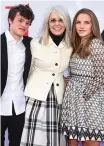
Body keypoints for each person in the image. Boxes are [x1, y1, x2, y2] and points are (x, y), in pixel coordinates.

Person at [20, 5, 73, 146]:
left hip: (58, 98)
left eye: (61, 20)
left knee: (55, 141)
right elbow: (27, 71)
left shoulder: (71, 46)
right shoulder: (35, 43)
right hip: (35, 98)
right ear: (47, 23)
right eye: (53, 20)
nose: (57, 24)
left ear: (66, 23)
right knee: (33, 140)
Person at [61, 8, 104, 146]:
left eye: (86, 22)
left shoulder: (96, 44)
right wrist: (67, 82)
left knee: (90, 141)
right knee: (71, 141)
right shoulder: (75, 44)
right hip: (73, 99)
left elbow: (101, 76)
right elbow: (74, 72)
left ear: (93, 25)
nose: (81, 26)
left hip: (90, 100)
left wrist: (85, 96)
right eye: (78, 22)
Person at [0, 4, 34, 146]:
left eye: (27, 23)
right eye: (20, 20)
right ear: (10, 20)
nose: (24, 25)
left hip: (19, 106)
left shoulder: (30, 44)